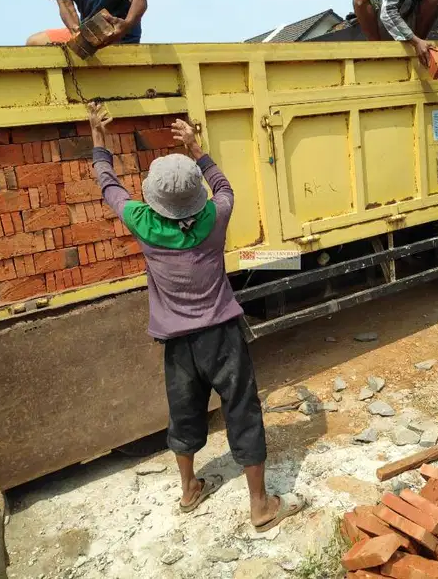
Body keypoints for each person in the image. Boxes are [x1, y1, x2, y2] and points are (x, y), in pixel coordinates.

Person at [86, 103, 305, 531]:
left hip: (177, 343)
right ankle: (260, 505)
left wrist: (99, 136)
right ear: (194, 195)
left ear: (155, 199)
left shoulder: (141, 222)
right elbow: (224, 186)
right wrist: (196, 148)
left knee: (183, 413)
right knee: (242, 410)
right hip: (223, 334)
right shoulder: (215, 216)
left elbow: (107, 184)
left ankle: (189, 490)